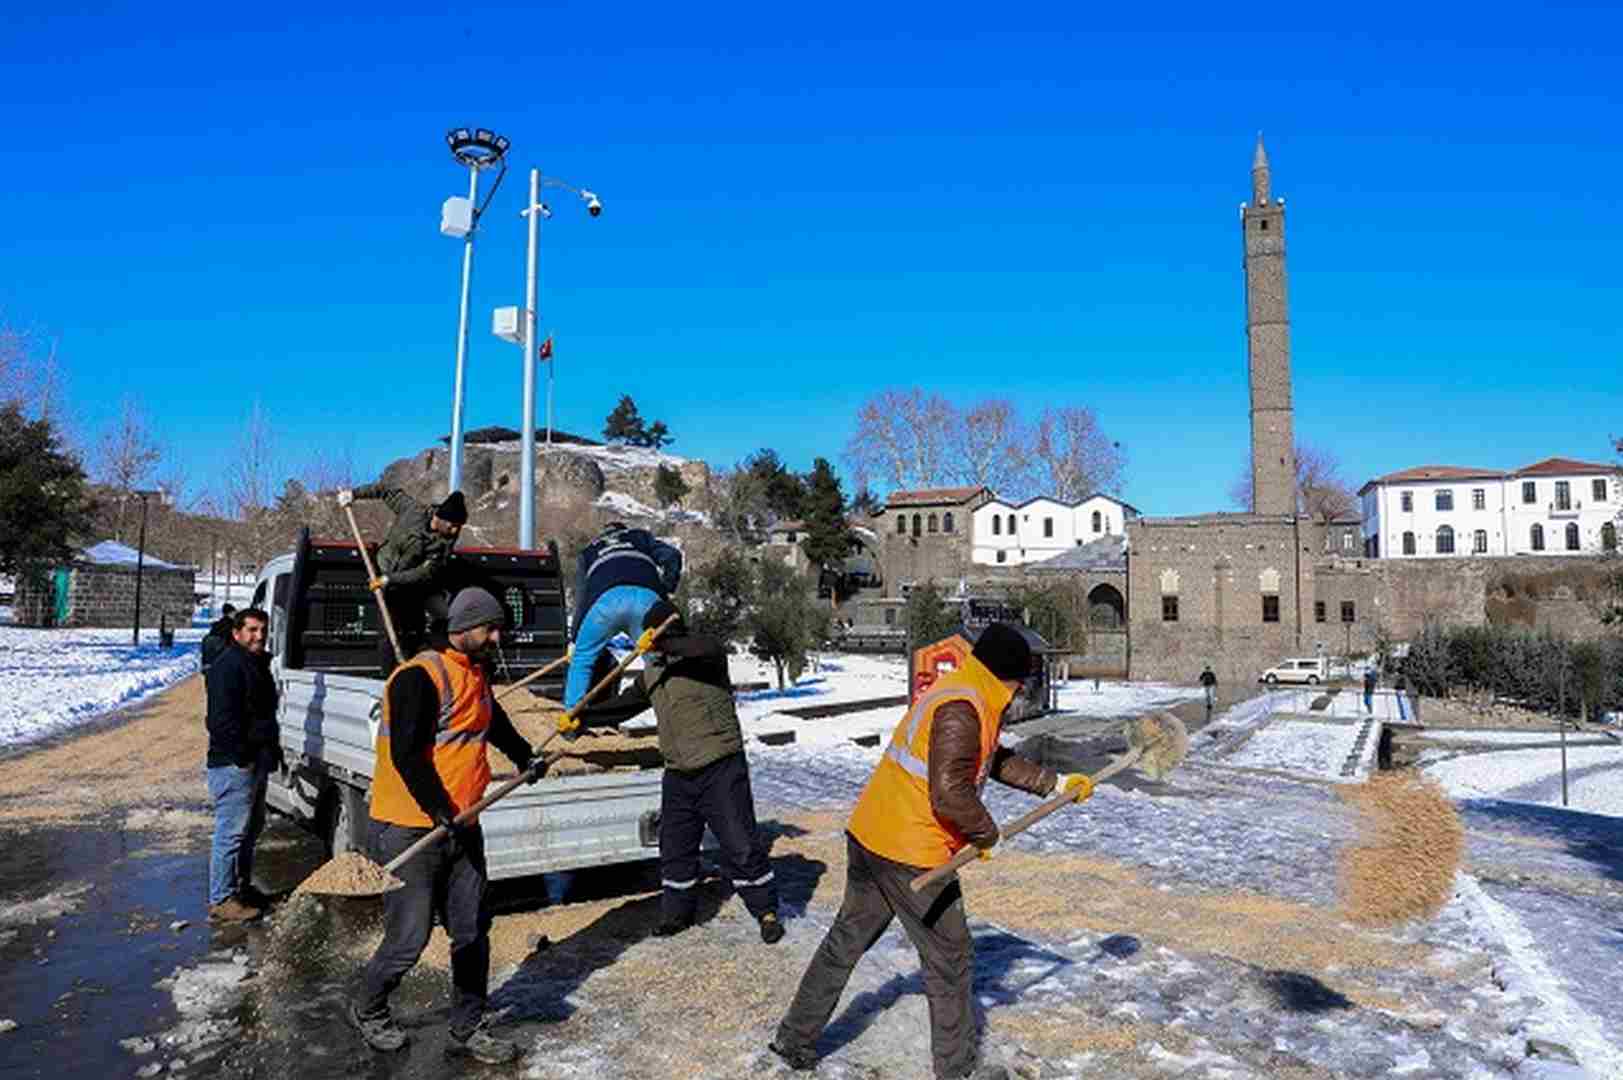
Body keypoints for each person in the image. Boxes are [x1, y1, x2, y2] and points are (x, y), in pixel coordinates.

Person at [770, 623, 1092, 1080]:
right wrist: (986, 835)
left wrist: (1053, 783)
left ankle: (793, 1038)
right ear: (1008, 677)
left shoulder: (963, 690)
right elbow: (950, 792)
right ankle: (956, 1071)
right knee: (950, 958)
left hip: (873, 835)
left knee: (846, 939)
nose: (1022, 689)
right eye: (1021, 680)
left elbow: (987, 757)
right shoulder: (964, 708)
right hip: (911, 852)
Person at [349, 587, 546, 1064]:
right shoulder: (418, 677)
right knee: (409, 938)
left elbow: (491, 722)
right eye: (490, 628)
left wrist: (525, 756)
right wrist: (439, 808)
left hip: (463, 825)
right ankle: (368, 1008)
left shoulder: (474, 672)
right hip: (412, 827)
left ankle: (468, 1027)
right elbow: (407, 755)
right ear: (464, 626)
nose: (497, 637)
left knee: (472, 929)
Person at [574, 599, 783, 943]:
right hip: (678, 774)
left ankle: (766, 911)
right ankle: (677, 914)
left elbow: (707, 647)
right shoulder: (653, 671)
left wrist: (665, 642)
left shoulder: (705, 658)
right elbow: (624, 706)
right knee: (675, 846)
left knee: (740, 842)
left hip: (720, 766)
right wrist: (583, 717)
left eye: (653, 633)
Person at [337, 484, 468, 672]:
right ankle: (387, 675)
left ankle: (413, 669)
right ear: (440, 517)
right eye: (453, 525)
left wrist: (389, 579)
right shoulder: (412, 511)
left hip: (409, 585)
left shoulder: (443, 544)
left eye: (459, 527)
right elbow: (387, 491)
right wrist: (354, 494)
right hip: (380, 568)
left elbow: (423, 573)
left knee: (414, 630)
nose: (455, 531)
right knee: (386, 631)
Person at [203, 607, 278, 923]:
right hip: (234, 765)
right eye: (252, 630)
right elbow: (219, 722)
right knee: (231, 833)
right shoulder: (228, 666)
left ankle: (240, 889)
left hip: (254, 760)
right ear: (236, 633)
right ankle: (222, 899)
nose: (259, 636)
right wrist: (242, 756)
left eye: (263, 630)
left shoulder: (256, 664)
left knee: (249, 830)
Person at [562, 522, 682, 711]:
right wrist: (666, 588)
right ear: (624, 530)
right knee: (658, 660)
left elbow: (582, 596)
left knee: (582, 661)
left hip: (605, 603)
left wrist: (577, 638)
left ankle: (572, 715)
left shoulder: (588, 552)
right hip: (646, 601)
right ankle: (674, 711)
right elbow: (672, 556)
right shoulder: (639, 537)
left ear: (602, 536)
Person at [200, 602, 237, 673]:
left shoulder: (218, 624)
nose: (235, 614)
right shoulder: (230, 624)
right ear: (230, 613)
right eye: (234, 612)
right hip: (220, 648)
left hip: (210, 650)